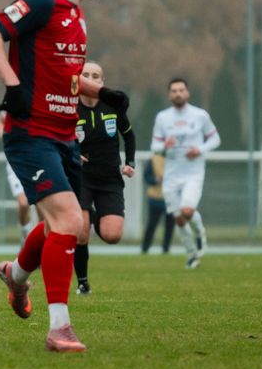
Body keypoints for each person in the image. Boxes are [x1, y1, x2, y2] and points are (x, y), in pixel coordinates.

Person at [0, 0, 128, 353]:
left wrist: (101, 95)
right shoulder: (41, 2)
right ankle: (59, 328)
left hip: (65, 135)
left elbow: (65, 77)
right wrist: (12, 86)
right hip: (31, 134)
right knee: (67, 222)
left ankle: (16, 277)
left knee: (66, 226)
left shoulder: (78, 17)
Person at [73, 61, 136, 294]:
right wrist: (73, 153)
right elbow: (56, 139)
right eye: (85, 75)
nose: (90, 79)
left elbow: (129, 136)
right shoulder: (70, 107)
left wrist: (130, 163)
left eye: (95, 76)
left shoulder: (112, 106)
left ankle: (92, 213)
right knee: (80, 231)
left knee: (112, 235)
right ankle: (82, 282)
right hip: (81, 178)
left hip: (109, 178)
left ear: (102, 82)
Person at [151, 78, 220, 269]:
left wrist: (199, 149)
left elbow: (215, 139)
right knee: (178, 218)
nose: (178, 93)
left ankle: (200, 236)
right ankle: (192, 254)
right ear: (169, 94)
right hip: (171, 173)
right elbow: (154, 146)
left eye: (181, 90)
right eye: (174, 91)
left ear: (187, 93)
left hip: (193, 172)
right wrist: (164, 146)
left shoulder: (200, 115)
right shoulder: (162, 118)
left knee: (187, 210)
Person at [0, 112, 36, 241]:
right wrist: (4, 137)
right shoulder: (15, 97)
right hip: (16, 161)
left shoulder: (41, 99)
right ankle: (25, 233)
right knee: (24, 204)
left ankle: (42, 243)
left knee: (43, 208)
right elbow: (0, 120)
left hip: (38, 159)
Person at [140, 154, 174, 254]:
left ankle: (166, 249)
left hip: (171, 199)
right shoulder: (154, 159)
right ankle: (145, 248)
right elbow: (146, 176)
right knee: (152, 224)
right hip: (155, 198)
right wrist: (155, 180)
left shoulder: (176, 158)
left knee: (170, 225)